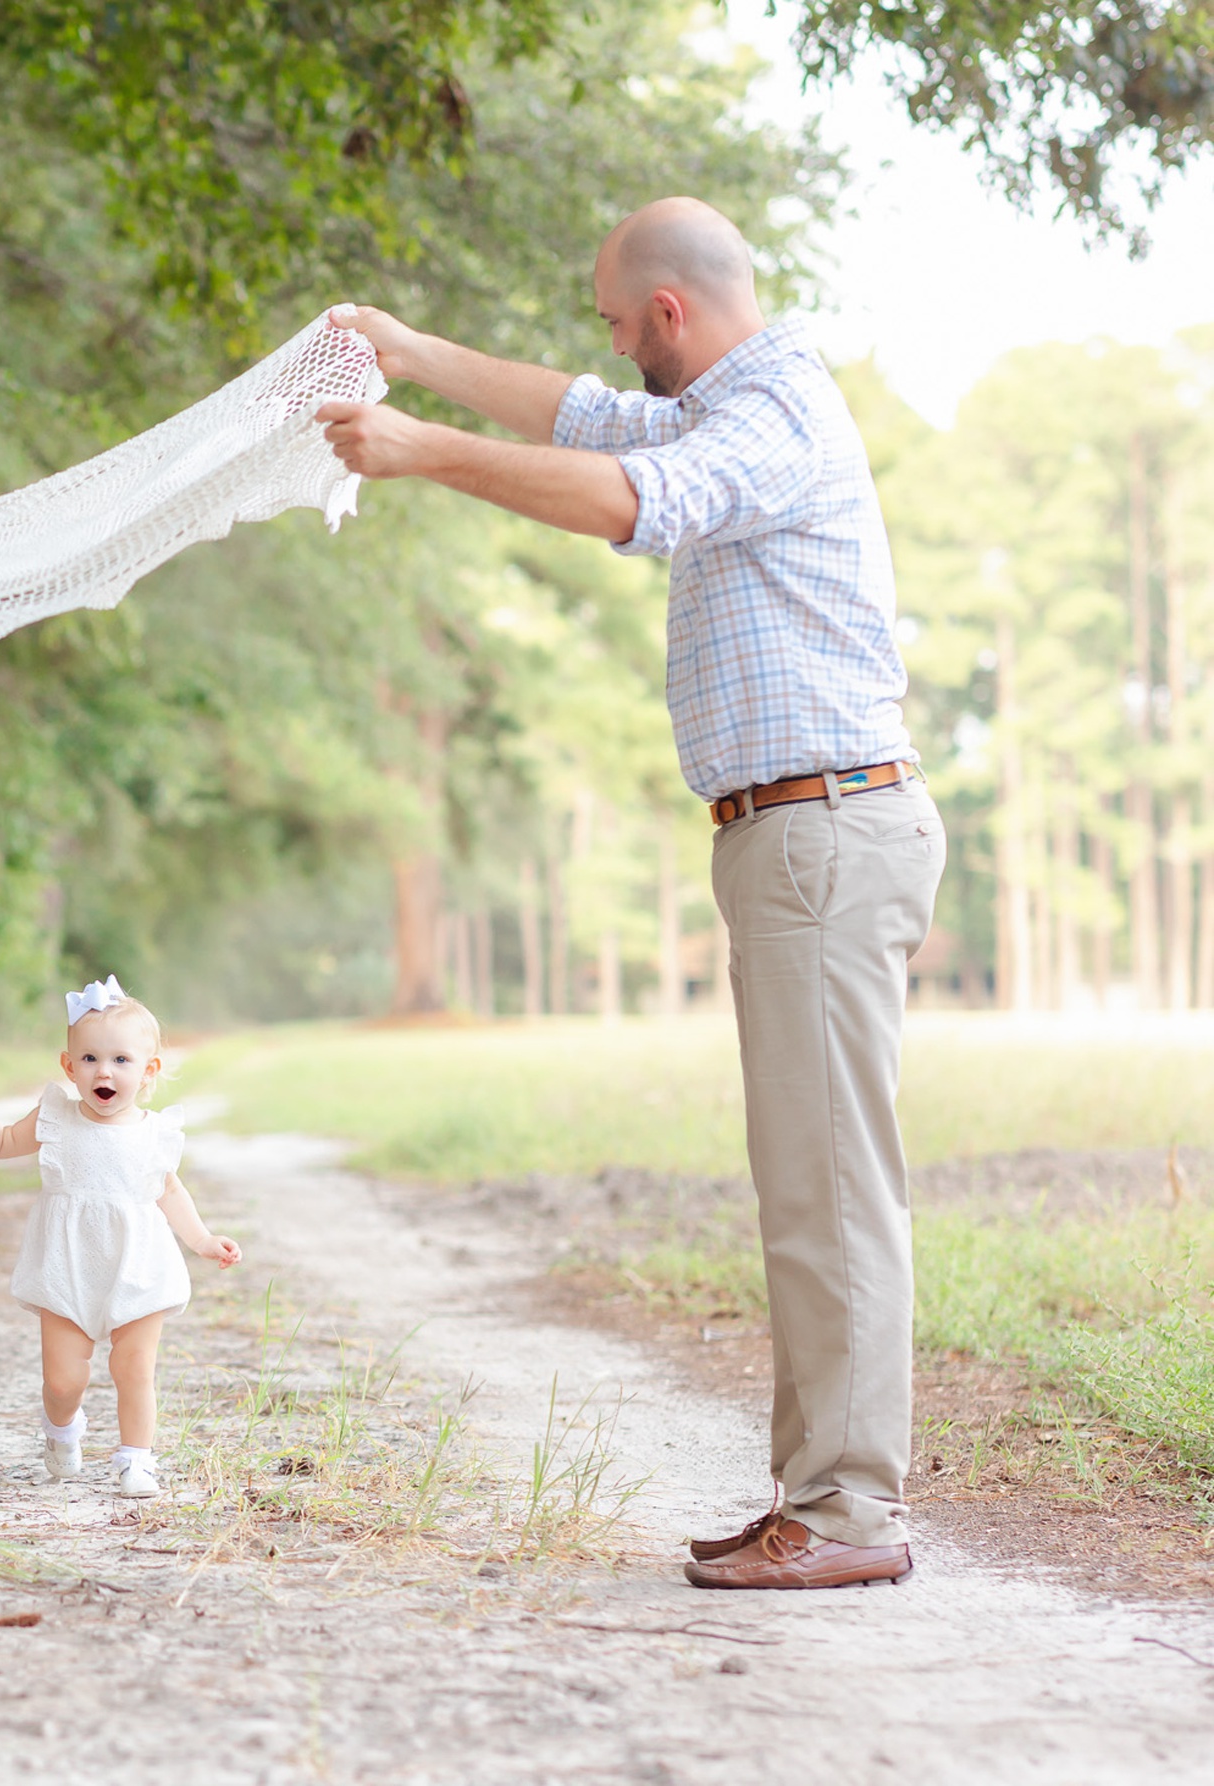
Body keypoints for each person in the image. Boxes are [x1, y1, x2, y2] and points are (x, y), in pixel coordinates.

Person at [316, 197, 944, 1590]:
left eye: (616, 317)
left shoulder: (772, 415)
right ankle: (818, 1495)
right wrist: (414, 352)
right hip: (795, 837)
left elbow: (630, 501)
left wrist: (420, 451)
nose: (609, 344)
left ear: (671, 311)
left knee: (830, 1188)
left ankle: (847, 1515)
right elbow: (588, 422)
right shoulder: (728, 402)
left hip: (823, 833)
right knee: (808, 1182)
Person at [0, 977, 241, 1498]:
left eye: (120, 1060)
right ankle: (62, 1426)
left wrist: (202, 1240)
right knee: (64, 1380)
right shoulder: (55, 1116)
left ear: (147, 1071)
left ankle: (136, 1459)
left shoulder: (154, 1133)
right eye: (90, 1059)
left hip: (138, 1267)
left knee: (134, 1367)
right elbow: (4, 1141)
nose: (104, 1071)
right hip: (66, 1267)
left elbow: (170, 1190)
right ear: (69, 1067)